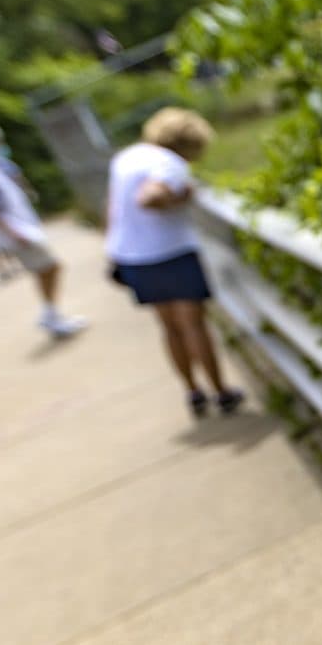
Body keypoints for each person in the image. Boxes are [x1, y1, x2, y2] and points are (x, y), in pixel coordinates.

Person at [105, 107, 243, 417]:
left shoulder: (128, 157)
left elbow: (117, 206)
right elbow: (149, 198)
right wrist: (181, 198)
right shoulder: (171, 164)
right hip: (169, 251)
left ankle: (193, 391)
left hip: (132, 254)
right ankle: (221, 391)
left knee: (169, 327)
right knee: (193, 324)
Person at [0, 120, 87, 338]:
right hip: (17, 231)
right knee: (50, 266)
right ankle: (50, 315)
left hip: (20, 227)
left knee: (47, 267)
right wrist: (12, 232)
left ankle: (51, 313)